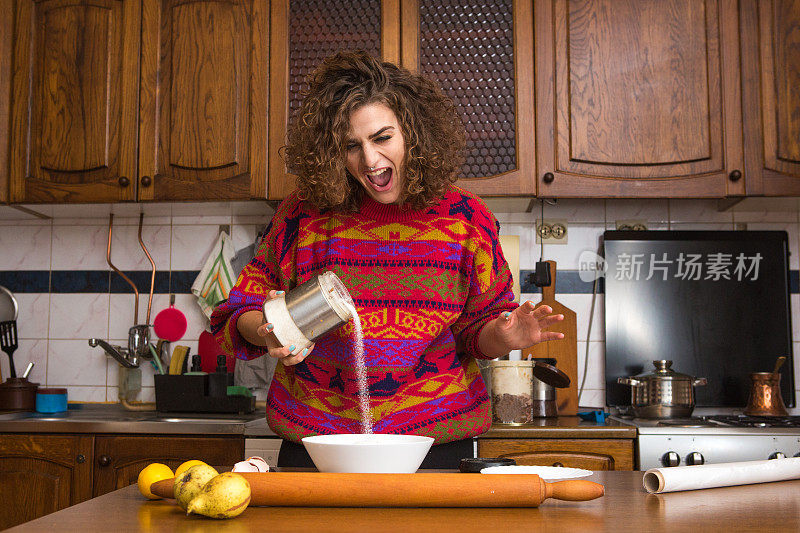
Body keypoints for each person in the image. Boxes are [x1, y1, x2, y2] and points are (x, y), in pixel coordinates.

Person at [211, 50, 564, 468]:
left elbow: (476, 331)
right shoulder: (303, 215)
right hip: (317, 448)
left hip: (437, 449)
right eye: (351, 146)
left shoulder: (466, 218)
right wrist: (268, 330)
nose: (371, 160)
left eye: (382, 138)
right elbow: (236, 311)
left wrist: (503, 338)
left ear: (413, 133)